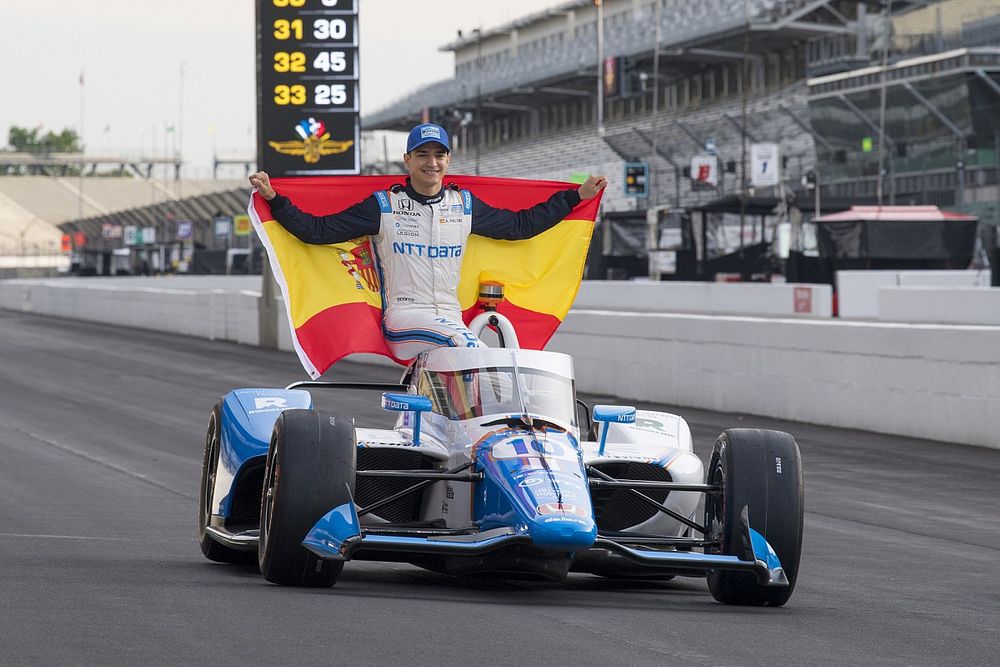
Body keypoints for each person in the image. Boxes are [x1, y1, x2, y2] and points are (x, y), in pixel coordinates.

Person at [250, 122, 607, 360]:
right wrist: (275, 199)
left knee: (479, 355)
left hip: (451, 317)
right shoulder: (383, 205)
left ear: (449, 160)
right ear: (407, 160)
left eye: (438, 154)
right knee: (468, 346)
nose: (431, 162)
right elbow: (316, 231)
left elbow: (521, 226)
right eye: (422, 154)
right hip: (405, 319)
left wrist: (575, 197)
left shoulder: (464, 204)